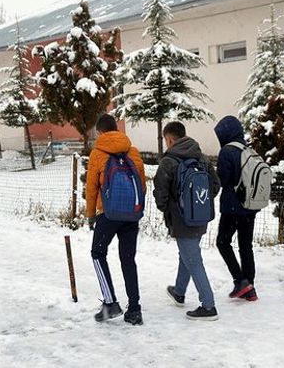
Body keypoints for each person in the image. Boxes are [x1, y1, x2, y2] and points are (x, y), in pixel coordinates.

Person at [153, 122, 221, 321]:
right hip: (200, 216)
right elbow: (215, 185)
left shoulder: (169, 161)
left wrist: (170, 210)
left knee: (193, 259)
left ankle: (208, 306)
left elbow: (160, 193)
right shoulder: (201, 157)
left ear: (169, 139)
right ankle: (179, 291)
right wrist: (197, 204)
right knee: (187, 254)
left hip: (181, 219)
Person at [86, 114, 146, 325]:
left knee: (97, 253)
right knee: (128, 259)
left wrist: (91, 215)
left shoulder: (97, 154)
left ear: (101, 132)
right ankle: (135, 309)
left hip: (109, 214)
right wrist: (136, 208)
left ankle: (110, 303)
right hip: (131, 214)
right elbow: (142, 184)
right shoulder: (134, 151)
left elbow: (91, 188)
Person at [213, 116, 259, 301]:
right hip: (251, 205)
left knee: (223, 243)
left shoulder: (227, 151)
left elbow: (223, 180)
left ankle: (240, 280)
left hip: (233, 207)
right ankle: (249, 285)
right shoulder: (249, 149)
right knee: (245, 245)